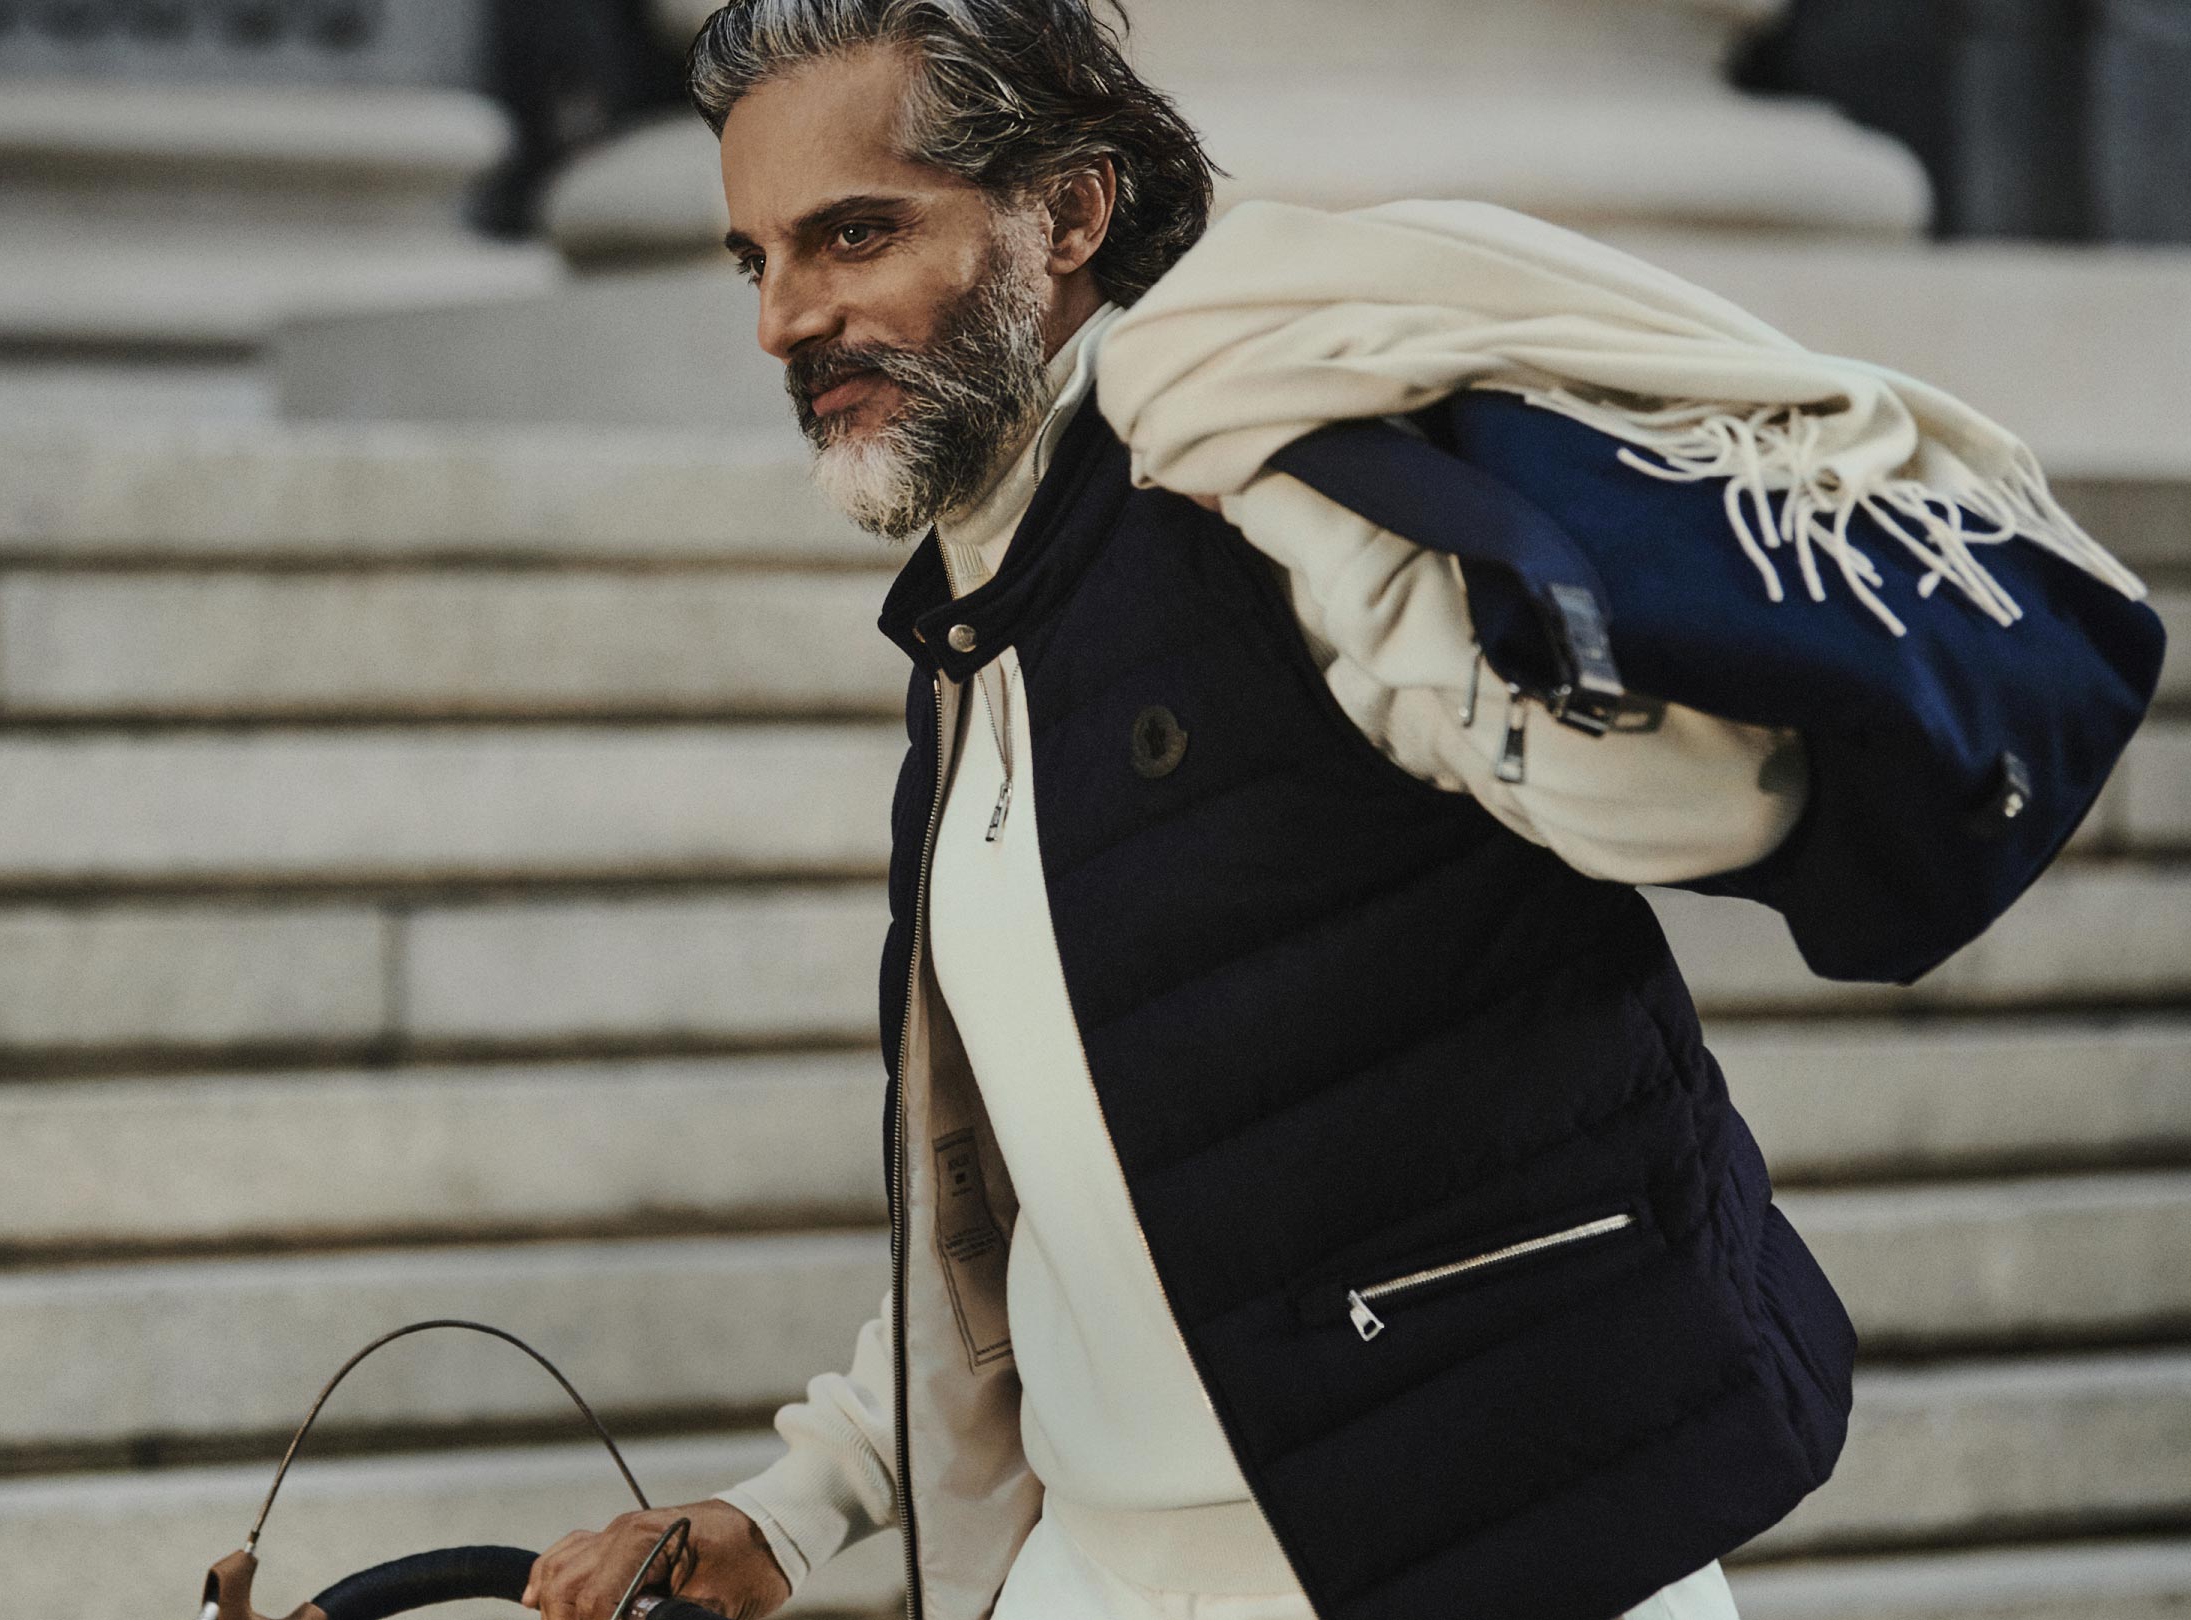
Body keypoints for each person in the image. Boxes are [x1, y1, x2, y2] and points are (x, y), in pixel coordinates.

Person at [519, 4, 1896, 1618]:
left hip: (1504, 1549)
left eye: (856, 232)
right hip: (1104, 1575)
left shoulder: (1282, 508)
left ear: (1068, 213)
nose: (784, 320)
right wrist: (799, 1508)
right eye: (756, 259)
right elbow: (1049, 1203)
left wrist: (1388, 540)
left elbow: (1701, 796)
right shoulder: (982, 634)